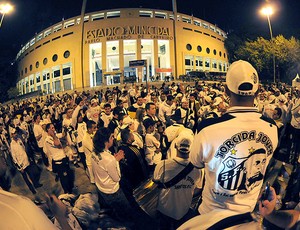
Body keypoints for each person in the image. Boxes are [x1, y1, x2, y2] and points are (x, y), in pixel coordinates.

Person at [190, 60, 278, 215]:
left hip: (210, 214)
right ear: (257, 92)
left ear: (225, 90)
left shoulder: (207, 128)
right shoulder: (272, 128)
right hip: (247, 214)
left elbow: (196, 163)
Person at [153, 134, 201, 229]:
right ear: (191, 149)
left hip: (165, 208)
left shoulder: (163, 165)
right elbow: (197, 190)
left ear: (175, 146)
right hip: (184, 209)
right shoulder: (198, 169)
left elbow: (155, 181)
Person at [91, 127, 135, 222]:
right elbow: (117, 178)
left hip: (101, 187)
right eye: (111, 137)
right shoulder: (109, 159)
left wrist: (114, 160)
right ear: (105, 141)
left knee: (113, 209)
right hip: (113, 191)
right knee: (126, 211)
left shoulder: (94, 152)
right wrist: (117, 161)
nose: (113, 139)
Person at [10, 128, 42, 194]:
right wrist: (19, 167)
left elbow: (23, 149)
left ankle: (36, 184)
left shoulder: (19, 140)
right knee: (26, 179)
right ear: (11, 135)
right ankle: (32, 190)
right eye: (13, 134)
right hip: (21, 165)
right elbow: (13, 157)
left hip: (26, 161)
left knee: (31, 174)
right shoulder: (12, 145)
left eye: (16, 133)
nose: (15, 135)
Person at [44, 123, 74, 194]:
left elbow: (63, 135)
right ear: (48, 130)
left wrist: (65, 129)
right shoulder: (47, 140)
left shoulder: (55, 136)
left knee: (68, 177)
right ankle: (67, 193)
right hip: (59, 162)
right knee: (64, 179)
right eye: (52, 128)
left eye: (54, 128)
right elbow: (57, 144)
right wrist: (53, 135)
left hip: (64, 159)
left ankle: (70, 190)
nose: (54, 129)